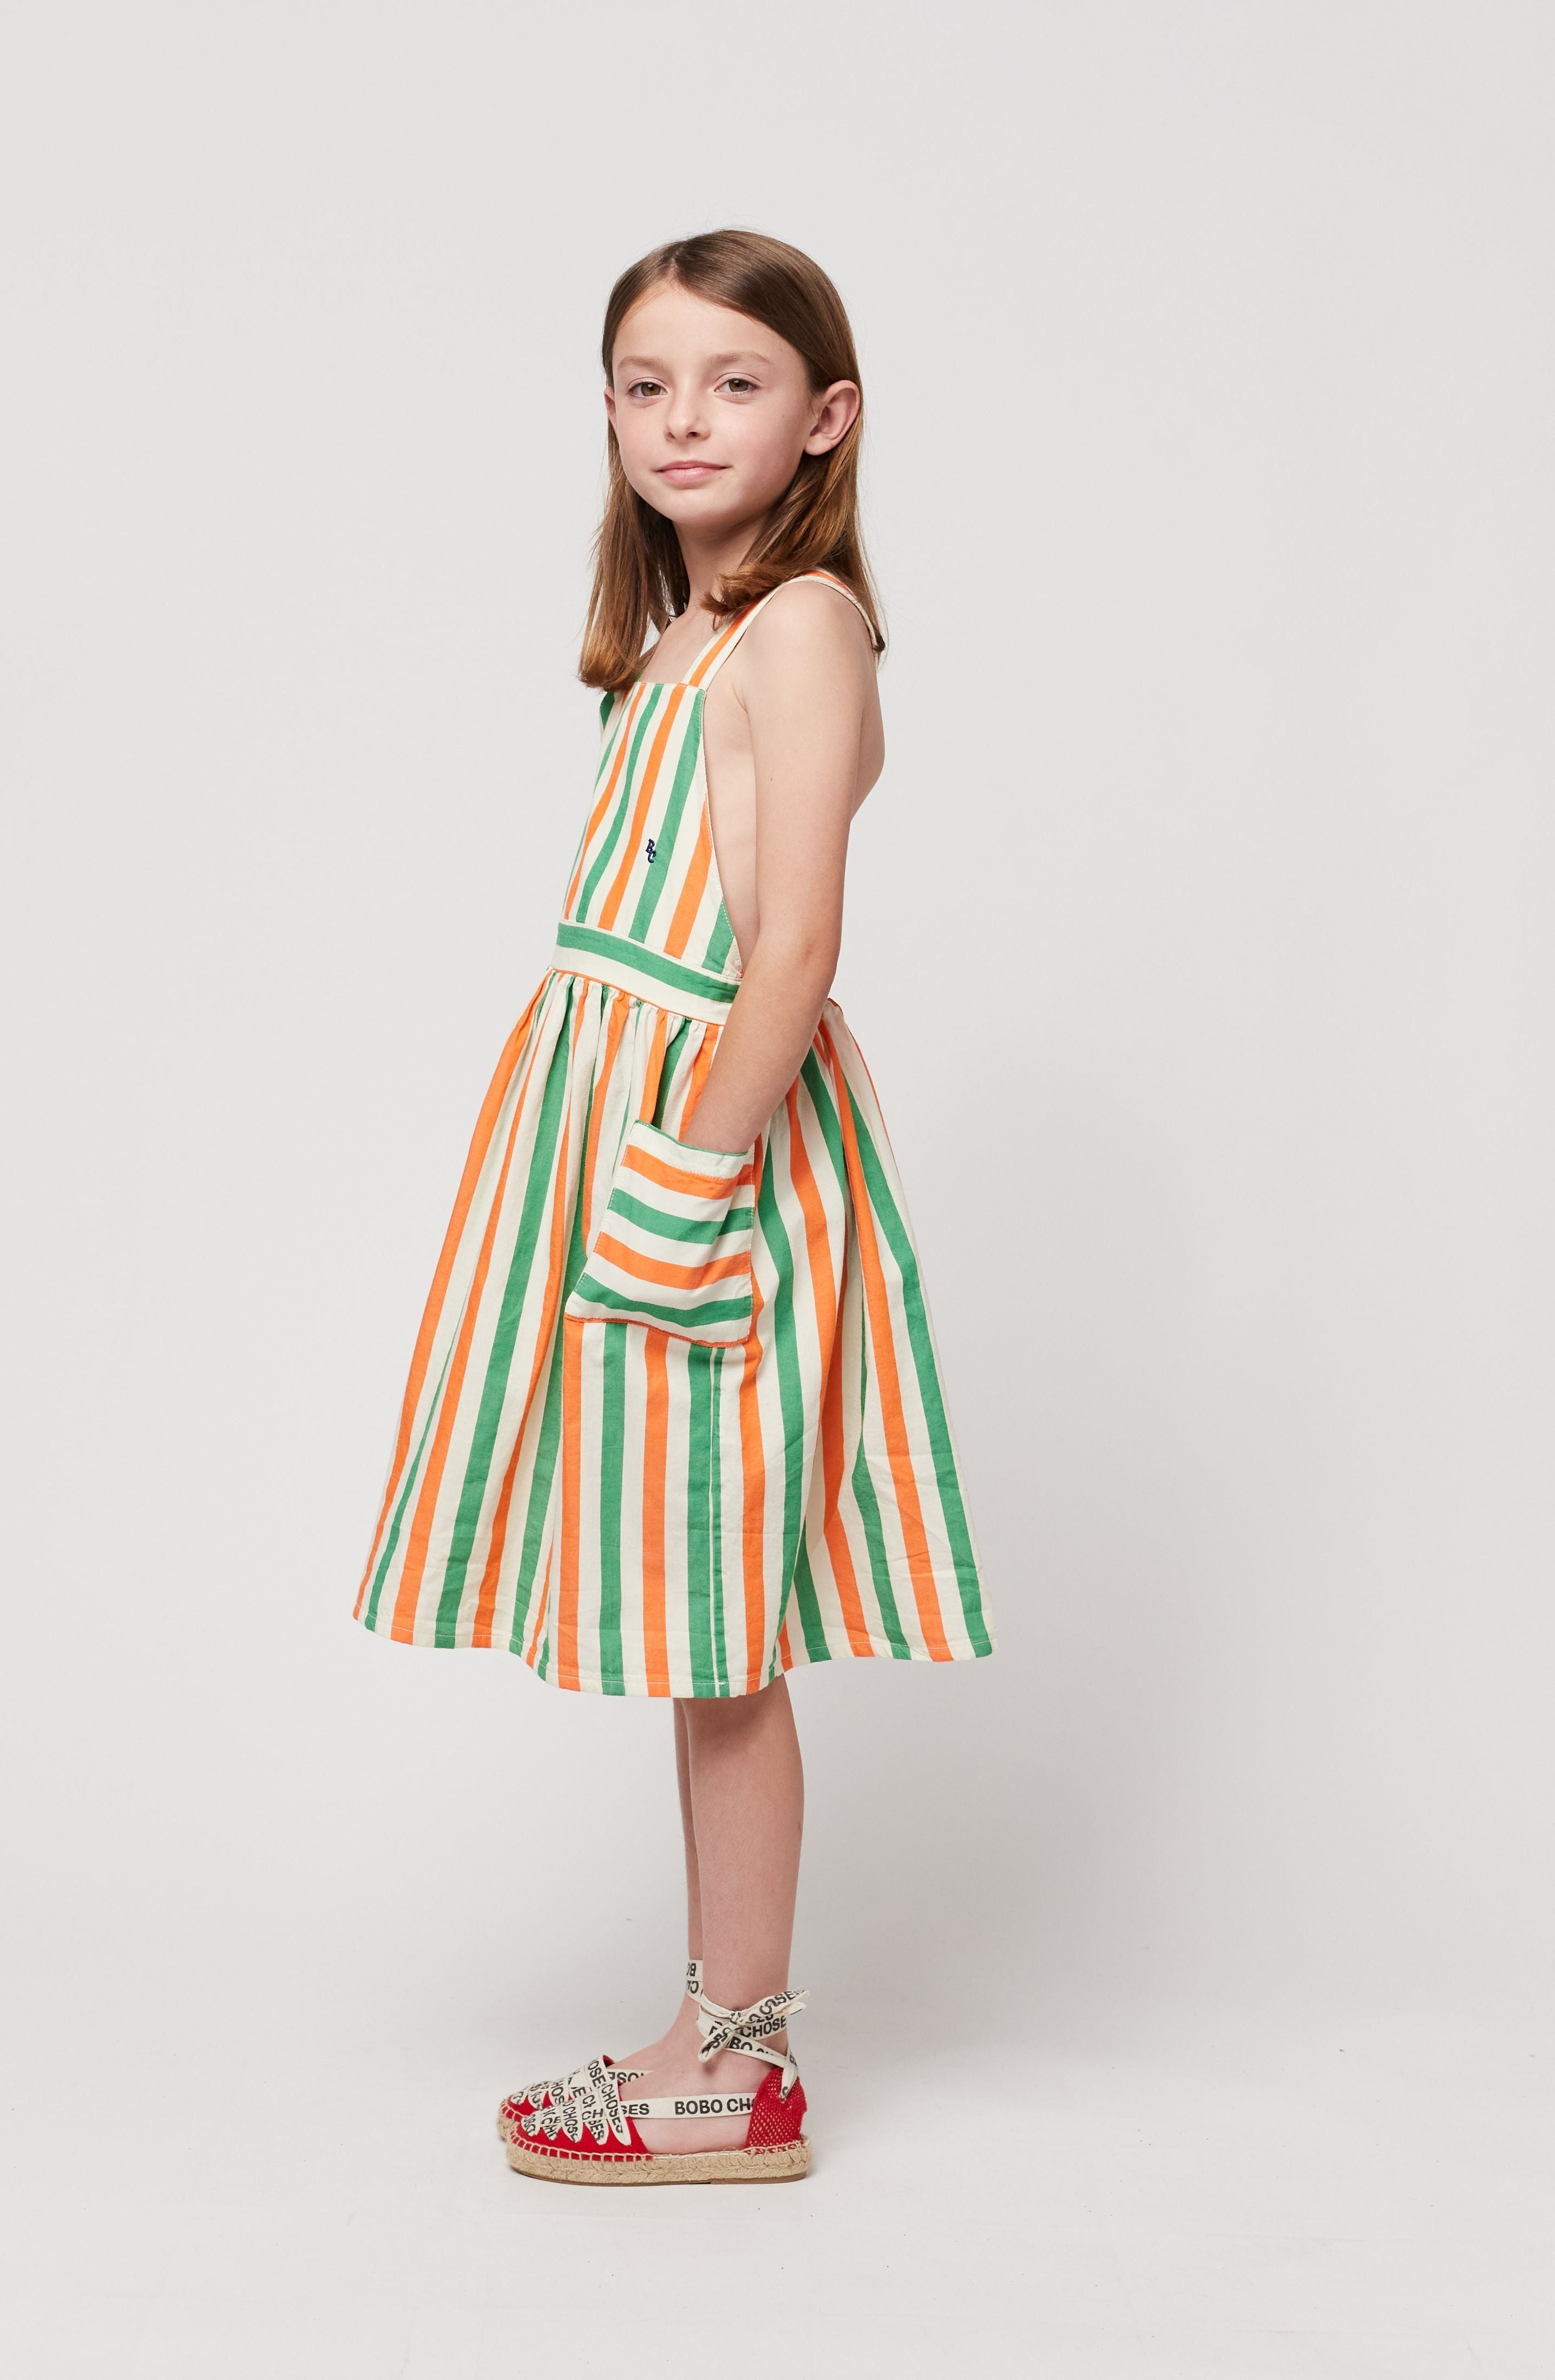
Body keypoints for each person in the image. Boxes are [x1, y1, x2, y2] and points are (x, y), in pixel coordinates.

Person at [354, 229, 991, 2183]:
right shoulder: (684, 638)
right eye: (645, 384)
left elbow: (787, 946)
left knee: (720, 1619)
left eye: (734, 380)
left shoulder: (798, 625)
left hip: (701, 1149)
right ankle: (719, 2035)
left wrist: (678, 1186)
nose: (683, 417)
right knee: (697, 1613)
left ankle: (733, 2062)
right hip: (630, 1132)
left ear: (828, 416)